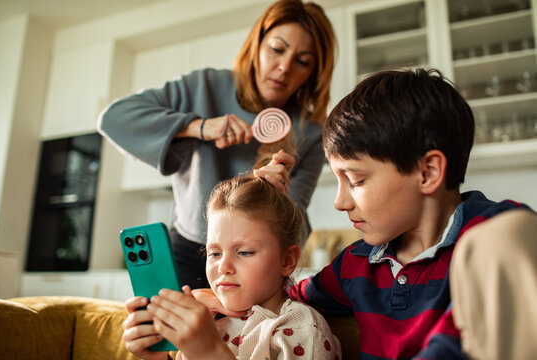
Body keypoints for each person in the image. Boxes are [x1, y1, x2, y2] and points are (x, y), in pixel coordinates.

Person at [285, 67, 536, 359]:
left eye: (356, 180)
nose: (340, 202)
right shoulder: (355, 263)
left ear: (428, 172)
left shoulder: (498, 236)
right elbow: (282, 295)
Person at [98, 0, 336, 290]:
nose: (284, 67)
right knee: (162, 333)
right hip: (185, 250)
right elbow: (113, 119)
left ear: (314, 73)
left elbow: (295, 224)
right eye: (276, 49)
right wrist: (198, 126)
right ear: (256, 45)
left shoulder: (309, 133)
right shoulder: (203, 86)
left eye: (303, 61)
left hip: (252, 264)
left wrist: (275, 198)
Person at [122, 167, 342, 360]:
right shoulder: (211, 322)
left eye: (244, 252)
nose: (223, 267)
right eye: (214, 253)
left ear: (287, 260)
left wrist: (210, 352)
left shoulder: (301, 328)